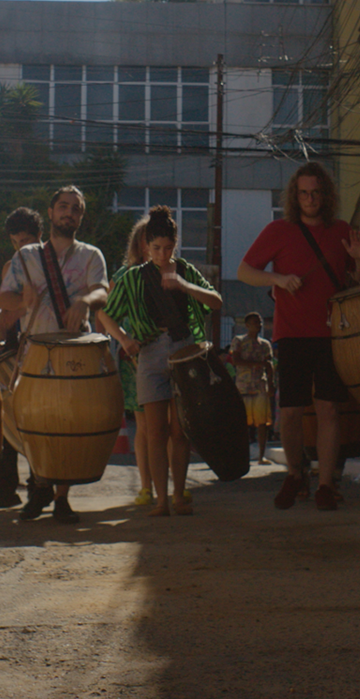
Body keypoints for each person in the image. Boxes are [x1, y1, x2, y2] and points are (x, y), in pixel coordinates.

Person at [238, 162, 360, 511]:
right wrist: (278, 280)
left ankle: (326, 484)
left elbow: (358, 280)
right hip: (292, 334)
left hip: (331, 334)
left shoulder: (341, 230)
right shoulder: (278, 230)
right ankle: (296, 474)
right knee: (291, 412)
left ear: (325, 194)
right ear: (294, 197)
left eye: (315, 193)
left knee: (329, 409)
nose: (310, 199)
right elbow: (245, 271)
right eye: (303, 194)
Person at [0, 186, 111, 524]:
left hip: (75, 350)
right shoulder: (27, 256)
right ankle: (40, 487)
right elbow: (3, 298)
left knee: (67, 423)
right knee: (34, 422)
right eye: (63, 206)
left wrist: (85, 301)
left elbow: (102, 291)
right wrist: (23, 300)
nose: (68, 213)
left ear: (81, 216)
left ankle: (61, 497)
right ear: (50, 212)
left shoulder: (91, 255)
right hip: (34, 350)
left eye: (75, 209)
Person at [102, 206, 221, 516]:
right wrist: (124, 339)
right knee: (155, 432)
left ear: (175, 244)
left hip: (184, 351)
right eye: (156, 248)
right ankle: (160, 500)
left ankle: (179, 495)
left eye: (168, 248)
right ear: (146, 245)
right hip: (150, 352)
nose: (162, 254)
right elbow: (106, 314)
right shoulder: (133, 277)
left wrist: (183, 285)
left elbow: (215, 301)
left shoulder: (185, 271)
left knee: (180, 431)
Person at [97, 215, 157, 506]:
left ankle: (171, 487)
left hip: (168, 356)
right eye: (149, 239)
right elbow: (105, 315)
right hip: (134, 358)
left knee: (170, 426)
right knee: (144, 424)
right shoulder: (123, 276)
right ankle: (146, 487)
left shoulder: (174, 273)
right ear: (139, 243)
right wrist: (122, 341)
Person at [0, 207, 42, 507]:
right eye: (17, 242)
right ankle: (6, 487)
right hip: (16, 347)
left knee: (35, 419)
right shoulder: (11, 266)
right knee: (6, 416)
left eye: (27, 240)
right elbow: (6, 311)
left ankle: (37, 486)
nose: (22, 247)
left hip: (41, 345)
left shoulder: (50, 264)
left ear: (39, 237)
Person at [229, 313, 276, 465]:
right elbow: (236, 360)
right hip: (243, 386)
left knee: (262, 422)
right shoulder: (239, 341)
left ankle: (261, 456)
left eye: (260, 322)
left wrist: (271, 383)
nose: (258, 325)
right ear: (247, 325)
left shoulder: (265, 344)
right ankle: (241, 456)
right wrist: (258, 364)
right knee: (242, 422)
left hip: (260, 386)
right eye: (255, 322)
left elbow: (269, 365)